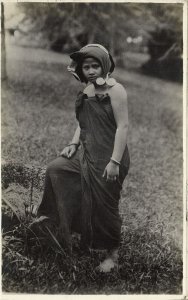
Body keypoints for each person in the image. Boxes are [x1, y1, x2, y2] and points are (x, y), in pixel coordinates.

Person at [31, 44, 130, 273]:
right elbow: (82, 122)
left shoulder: (117, 91)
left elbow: (123, 127)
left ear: (105, 66)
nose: (92, 71)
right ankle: (55, 225)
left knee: (106, 204)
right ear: (81, 70)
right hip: (87, 153)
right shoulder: (87, 91)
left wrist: (114, 162)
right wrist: (73, 144)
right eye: (87, 67)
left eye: (96, 66)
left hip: (109, 156)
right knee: (57, 169)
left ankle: (112, 255)